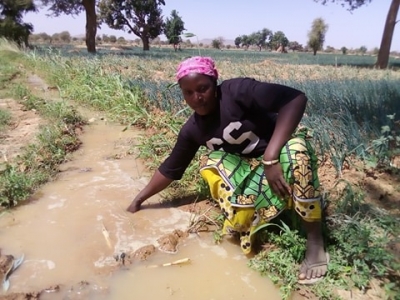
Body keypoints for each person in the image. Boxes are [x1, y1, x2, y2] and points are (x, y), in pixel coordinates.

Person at [127, 56, 328, 285]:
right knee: (210, 162)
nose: (197, 98)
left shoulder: (237, 91)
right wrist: (138, 201)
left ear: (215, 82)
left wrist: (271, 157)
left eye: (203, 88)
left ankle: (315, 242)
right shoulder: (193, 130)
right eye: (188, 92)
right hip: (251, 172)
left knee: (298, 150)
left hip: (280, 160)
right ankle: (251, 215)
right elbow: (171, 168)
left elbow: (294, 99)